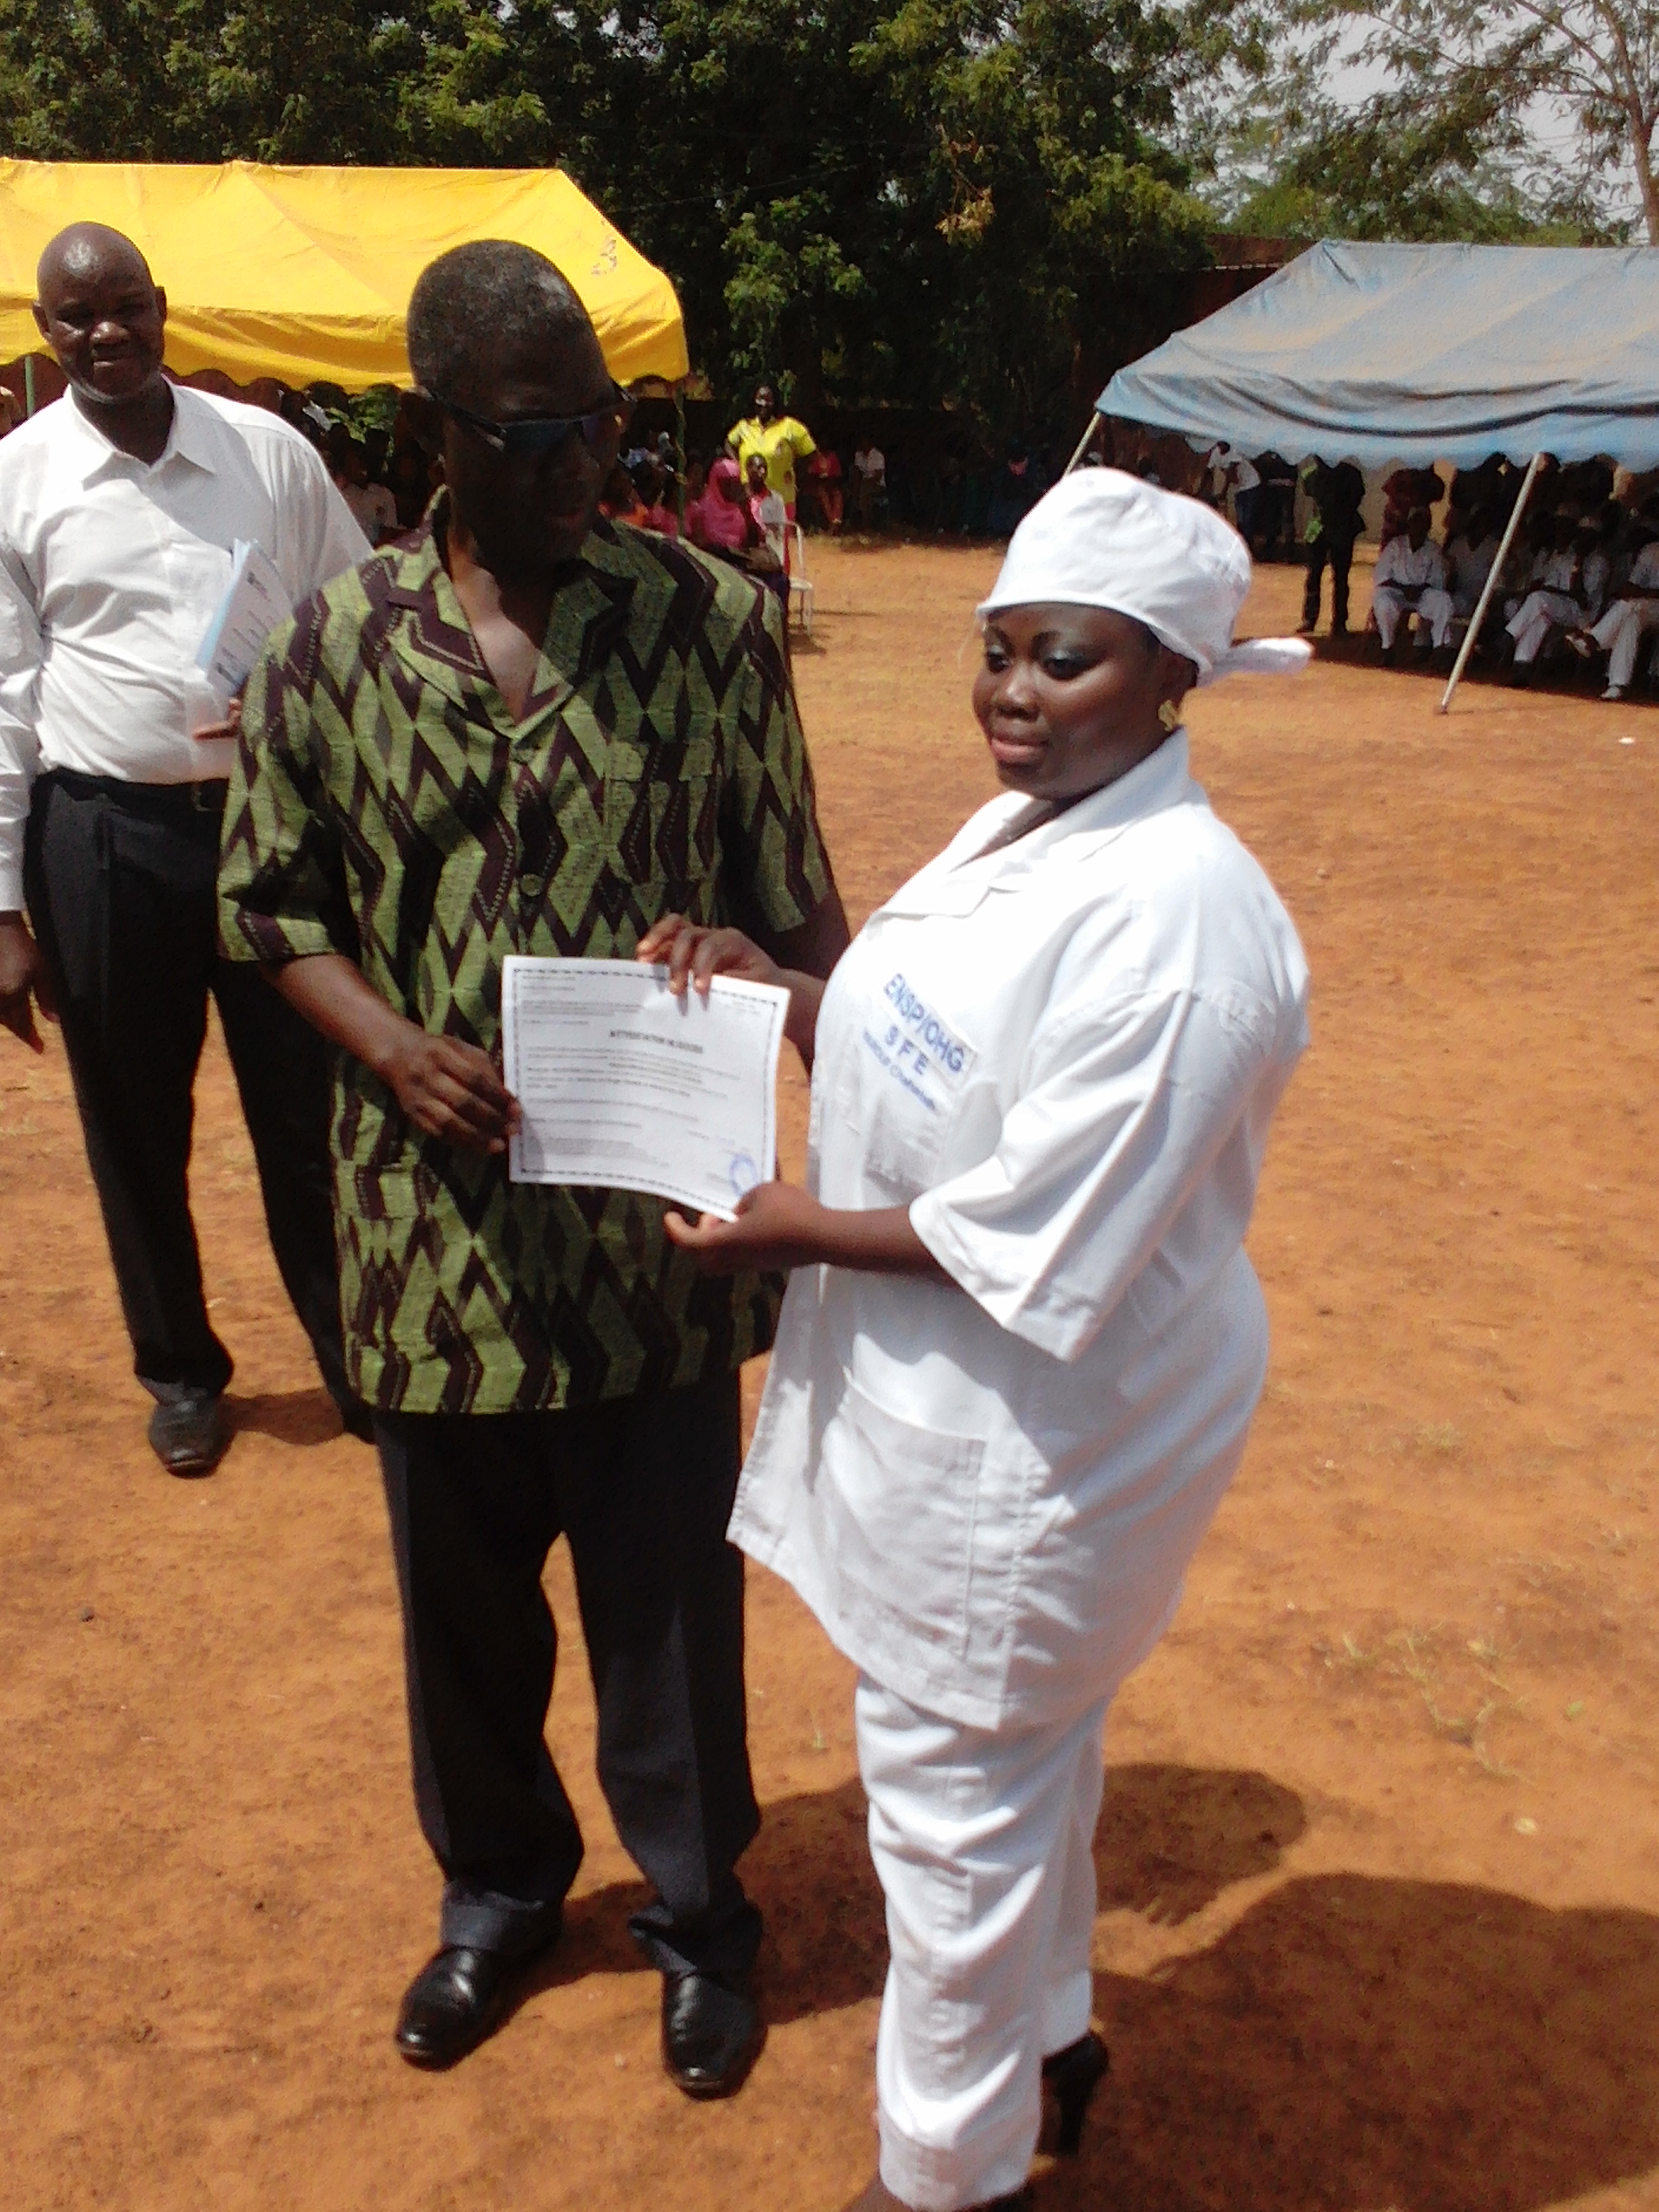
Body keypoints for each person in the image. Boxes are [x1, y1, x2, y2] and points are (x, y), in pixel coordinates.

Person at [216, 240, 849, 2092]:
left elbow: (795, 898)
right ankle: (494, 1896)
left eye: (611, 425)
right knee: (463, 1612)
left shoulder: (710, 624)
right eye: (542, 432)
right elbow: (270, 907)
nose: (590, 465)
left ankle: (698, 1915)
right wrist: (392, 1047)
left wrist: (782, 985)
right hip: (427, 1253)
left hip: (654, 1239)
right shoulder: (330, 649)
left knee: (670, 1610)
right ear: (434, 431)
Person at [638, 468, 1309, 2212]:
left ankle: (948, 2176)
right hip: (980, 1398)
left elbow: (1034, 1219)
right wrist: (773, 990)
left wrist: (783, 1231)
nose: (1011, 691)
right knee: (1033, 1760)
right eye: (997, 650)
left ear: (1169, 674)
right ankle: (1053, 2037)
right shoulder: (1037, 818)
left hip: (1043, 1435)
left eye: (1060, 657)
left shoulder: (1179, 926)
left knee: (950, 1810)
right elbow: (923, 1032)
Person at [0, 222, 369, 1477]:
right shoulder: (17, 479)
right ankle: (179, 1370)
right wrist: (3, 908)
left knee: (307, 1108)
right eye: (73, 318)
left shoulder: (265, 451)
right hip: (102, 840)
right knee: (133, 1123)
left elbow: (354, 619)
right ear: (43, 334)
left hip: (273, 834)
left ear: (163, 307)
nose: (102, 333)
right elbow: (2, 696)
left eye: (122, 307)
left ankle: (351, 1354)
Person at [1504, 513, 1607, 683]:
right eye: (1581, 533)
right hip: (1563, 605)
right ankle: (1521, 667)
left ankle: (1510, 634)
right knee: (1540, 614)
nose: (1583, 539)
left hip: (1584, 615)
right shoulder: (1566, 556)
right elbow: (1549, 586)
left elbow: (1582, 598)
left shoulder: (1599, 562)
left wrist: (1579, 567)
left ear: (1596, 538)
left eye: (1588, 535)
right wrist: (1560, 590)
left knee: (1539, 600)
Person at [1566, 526, 1659, 699]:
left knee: (1633, 606)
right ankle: (1617, 684)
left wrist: (1644, 593)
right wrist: (1645, 593)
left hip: (1649, 604)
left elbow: (1637, 591)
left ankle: (1593, 640)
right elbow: (1630, 587)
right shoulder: (1651, 550)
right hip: (1648, 606)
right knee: (1631, 616)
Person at [1371, 509, 1455, 663]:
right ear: (1409, 525)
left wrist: (1419, 589)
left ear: (1428, 527)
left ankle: (1439, 648)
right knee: (1382, 600)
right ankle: (1387, 647)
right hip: (1396, 591)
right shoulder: (1395, 545)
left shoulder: (1433, 549)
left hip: (1421, 594)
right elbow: (1381, 576)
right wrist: (1404, 589)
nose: (1418, 527)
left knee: (1443, 601)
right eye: (1415, 522)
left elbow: (1437, 580)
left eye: (1423, 523)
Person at [727, 381, 816, 520]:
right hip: (749, 499)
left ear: (776, 402)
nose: (764, 404)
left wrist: (795, 473)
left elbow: (810, 453)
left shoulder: (789, 426)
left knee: (777, 540)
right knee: (750, 540)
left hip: (781, 499)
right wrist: (737, 465)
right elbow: (728, 443)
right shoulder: (743, 427)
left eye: (769, 400)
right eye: (760, 399)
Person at [1298, 457, 1366, 636]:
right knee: (1314, 575)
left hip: (1342, 529)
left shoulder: (1349, 475)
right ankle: (1311, 618)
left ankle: (1339, 622)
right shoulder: (1310, 475)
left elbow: (1354, 500)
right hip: (1319, 529)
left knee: (1340, 578)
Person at [806, 443, 844, 533]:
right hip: (818, 486)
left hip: (831, 484)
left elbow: (838, 475)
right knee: (823, 495)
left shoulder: (833, 457)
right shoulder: (816, 458)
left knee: (838, 495)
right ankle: (831, 521)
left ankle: (836, 519)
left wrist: (830, 481)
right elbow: (811, 475)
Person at [852, 437, 887, 527]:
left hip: (877, 485)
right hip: (863, 484)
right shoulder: (858, 455)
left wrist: (865, 484)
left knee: (865, 491)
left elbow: (878, 476)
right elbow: (856, 472)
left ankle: (864, 521)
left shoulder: (877, 455)